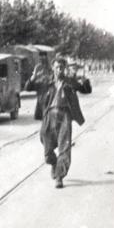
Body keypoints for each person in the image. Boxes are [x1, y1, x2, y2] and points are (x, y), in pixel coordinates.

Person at [25, 58, 87, 189]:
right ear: (53, 68)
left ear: (65, 69)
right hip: (49, 116)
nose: (59, 70)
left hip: (65, 116)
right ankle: (54, 163)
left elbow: (85, 89)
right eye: (57, 67)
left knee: (64, 148)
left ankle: (59, 177)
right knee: (47, 153)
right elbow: (28, 87)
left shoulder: (70, 82)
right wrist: (33, 77)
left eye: (62, 67)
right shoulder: (46, 82)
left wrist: (85, 80)